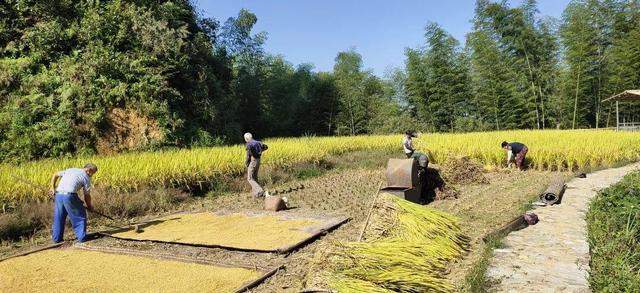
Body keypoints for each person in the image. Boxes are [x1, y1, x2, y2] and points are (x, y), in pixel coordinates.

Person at [48, 163, 98, 243]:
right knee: (80, 215)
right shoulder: (86, 177)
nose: (92, 175)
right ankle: (82, 237)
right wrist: (89, 206)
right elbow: (87, 195)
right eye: (93, 173)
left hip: (59, 195)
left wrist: (52, 187)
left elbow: (55, 174)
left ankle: (57, 239)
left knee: (59, 216)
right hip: (69, 196)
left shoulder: (71, 169)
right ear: (89, 170)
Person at [244, 132, 268, 197]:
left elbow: (248, 155)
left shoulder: (249, 144)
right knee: (255, 177)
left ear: (246, 138)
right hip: (258, 160)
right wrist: (260, 152)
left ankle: (260, 191)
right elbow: (266, 147)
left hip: (253, 160)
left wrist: (247, 162)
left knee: (250, 178)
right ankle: (256, 194)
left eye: (245, 139)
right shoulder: (258, 142)